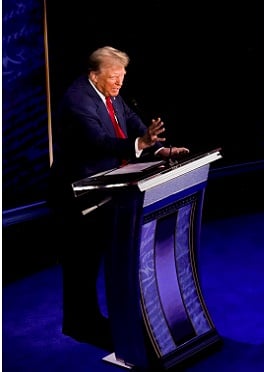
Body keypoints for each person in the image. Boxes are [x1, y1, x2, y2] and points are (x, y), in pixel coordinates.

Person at [48, 46, 189, 351]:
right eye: (114, 78)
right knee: (81, 263)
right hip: (77, 196)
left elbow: (133, 122)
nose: (119, 84)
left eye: (122, 78)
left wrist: (159, 149)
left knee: (95, 257)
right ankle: (79, 324)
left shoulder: (110, 95)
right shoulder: (77, 100)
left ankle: (89, 320)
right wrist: (139, 143)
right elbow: (97, 142)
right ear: (94, 74)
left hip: (107, 189)